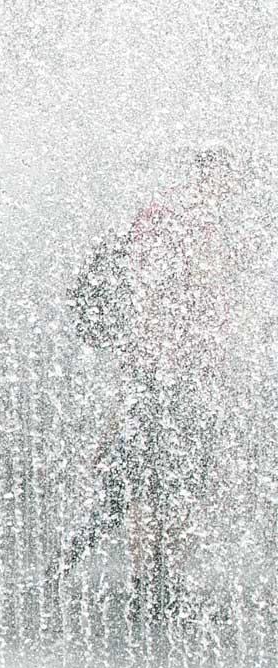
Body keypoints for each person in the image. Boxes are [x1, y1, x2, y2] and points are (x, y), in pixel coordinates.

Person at [49, 147, 253, 616]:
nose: (226, 191)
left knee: (176, 483)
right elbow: (152, 304)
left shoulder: (209, 226)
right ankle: (145, 584)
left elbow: (210, 310)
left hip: (192, 375)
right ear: (205, 177)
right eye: (223, 179)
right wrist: (144, 374)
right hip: (166, 373)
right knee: (148, 483)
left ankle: (160, 585)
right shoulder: (167, 219)